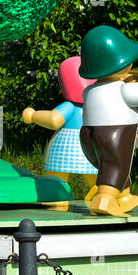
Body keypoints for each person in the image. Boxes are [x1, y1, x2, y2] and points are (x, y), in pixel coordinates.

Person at [77, 25, 138, 216]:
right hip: (115, 134)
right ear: (120, 64)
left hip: (88, 136)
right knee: (116, 164)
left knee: (109, 164)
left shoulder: (90, 90)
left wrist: (128, 77)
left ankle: (123, 196)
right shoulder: (124, 90)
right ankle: (105, 199)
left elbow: (114, 81)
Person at [21, 55, 98, 211]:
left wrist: (33, 115)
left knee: (57, 177)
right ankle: (99, 193)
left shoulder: (69, 106)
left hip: (65, 146)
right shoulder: (95, 106)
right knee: (95, 176)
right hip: (90, 144)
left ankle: (59, 200)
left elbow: (54, 119)